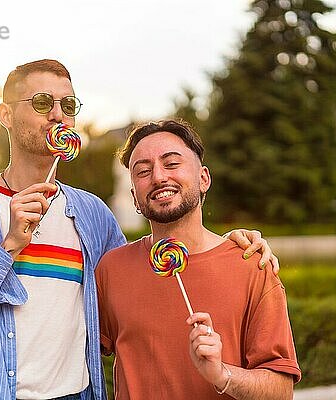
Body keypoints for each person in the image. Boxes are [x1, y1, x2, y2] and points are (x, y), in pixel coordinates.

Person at [0, 59, 278, 400]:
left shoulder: (94, 216)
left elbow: (141, 280)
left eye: (68, 105)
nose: (58, 114)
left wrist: (227, 244)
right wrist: (7, 247)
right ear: (6, 115)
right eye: (42, 102)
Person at [97, 120, 301, 399]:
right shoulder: (111, 269)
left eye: (171, 163)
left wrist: (221, 374)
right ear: (134, 196)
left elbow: (281, 391)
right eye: (143, 171)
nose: (158, 177)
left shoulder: (252, 265)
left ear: (204, 179)